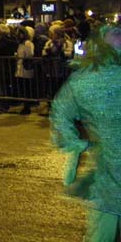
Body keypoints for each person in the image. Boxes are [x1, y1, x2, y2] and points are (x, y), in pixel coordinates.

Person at [50, 23, 121, 241]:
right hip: (109, 175)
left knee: (103, 232)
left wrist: (77, 145)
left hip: (107, 175)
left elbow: (60, 115)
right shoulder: (87, 81)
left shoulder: (83, 80)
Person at [14, 25, 35, 115]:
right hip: (20, 67)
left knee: (26, 88)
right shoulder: (20, 44)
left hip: (25, 67)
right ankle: (25, 105)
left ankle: (27, 107)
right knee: (22, 88)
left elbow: (30, 54)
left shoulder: (27, 43)